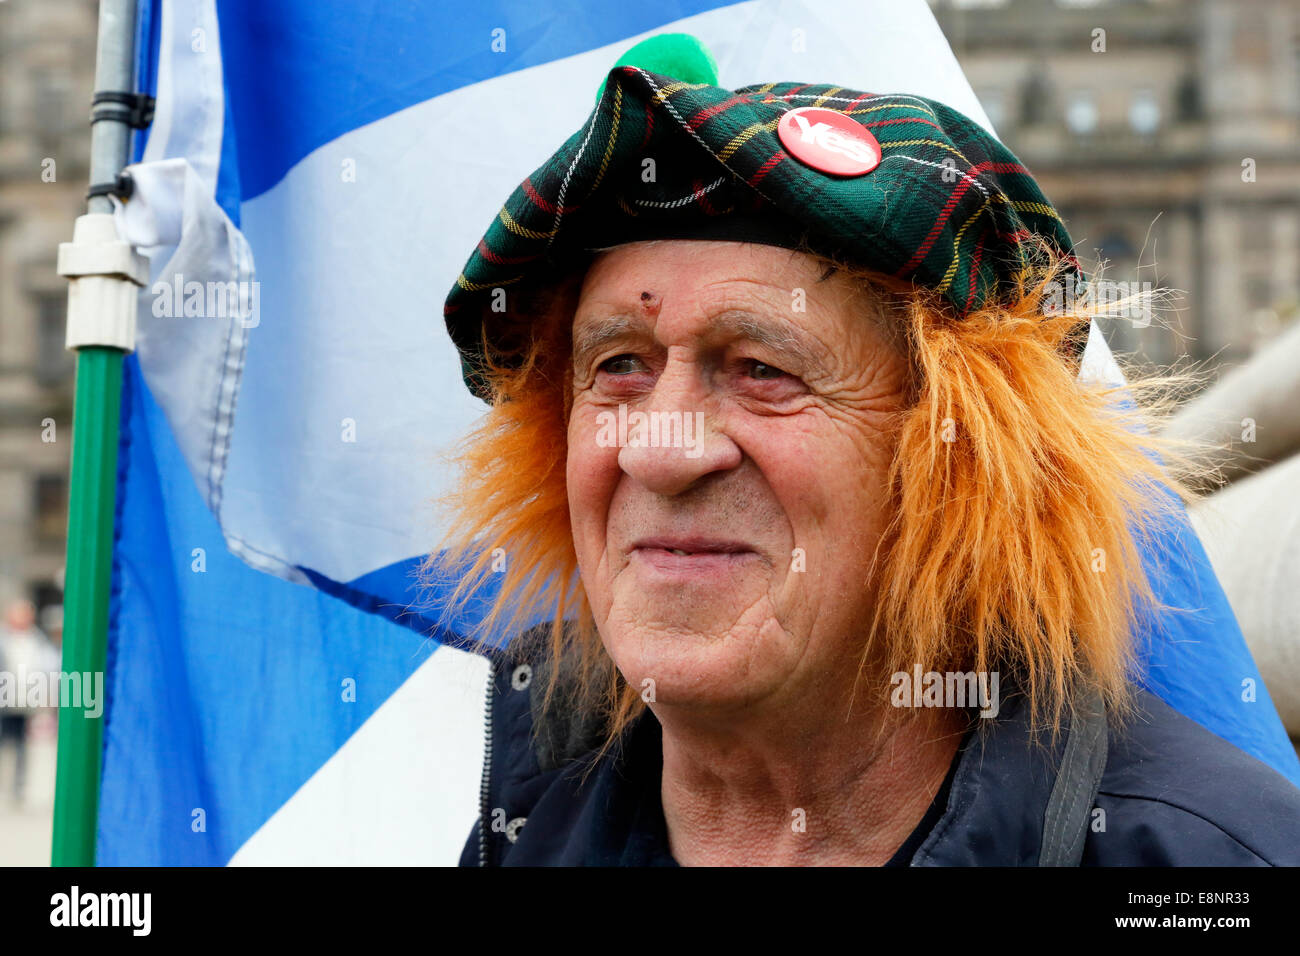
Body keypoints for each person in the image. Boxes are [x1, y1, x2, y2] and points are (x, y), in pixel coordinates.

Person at [434, 40, 1300, 866]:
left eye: (762, 370)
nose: (660, 454)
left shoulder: (1212, 864)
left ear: (961, 466)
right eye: (619, 366)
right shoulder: (522, 827)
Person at [0, 599, 58, 805]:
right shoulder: (3, 639)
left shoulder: (37, 640)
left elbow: (49, 666)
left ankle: (18, 788)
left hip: (24, 701)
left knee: (21, 746)